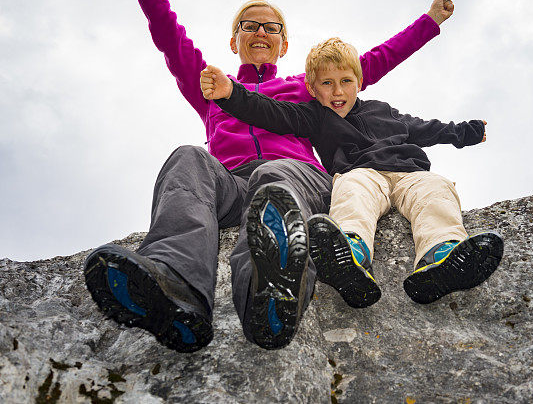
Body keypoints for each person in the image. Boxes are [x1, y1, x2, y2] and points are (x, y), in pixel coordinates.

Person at [83, 0, 455, 352]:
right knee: (187, 157)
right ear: (234, 41)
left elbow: (371, 62)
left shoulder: (306, 86)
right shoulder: (211, 84)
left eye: (271, 28)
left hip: (298, 178)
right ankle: (174, 286)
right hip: (232, 181)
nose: (260, 31)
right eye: (250, 26)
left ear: (283, 44)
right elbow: (166, 31)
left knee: (273, 177)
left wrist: (430, 21)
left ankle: (270, 293)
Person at [199, 37, 504, 309]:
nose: (337, 91)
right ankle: (351, 252)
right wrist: (231, 94)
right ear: (311, 89)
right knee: (351, 191)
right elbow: (272, 113)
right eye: (327, 83)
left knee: (436, 189)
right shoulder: (314, 117)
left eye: (345, 81)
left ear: (359, 82)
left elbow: (425, 128)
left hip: (409, 173)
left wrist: (464, 133)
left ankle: (442, 255)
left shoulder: (383, 110)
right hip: (360, 173)